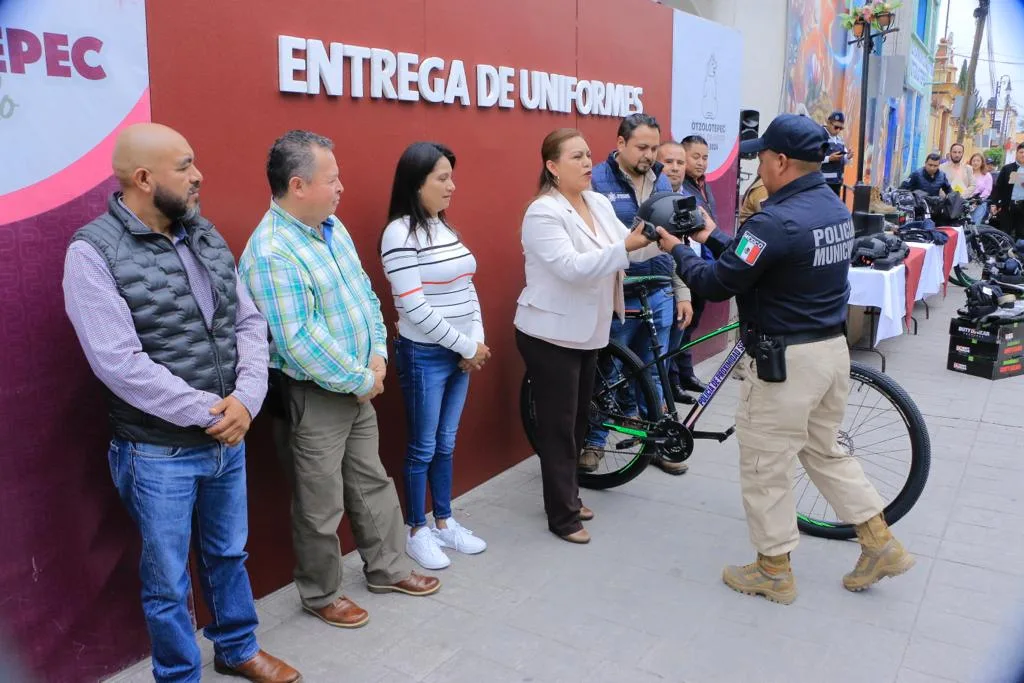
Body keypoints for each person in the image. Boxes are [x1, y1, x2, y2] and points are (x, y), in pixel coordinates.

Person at [63, 123, 300, 683]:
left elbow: (246, 320)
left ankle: (238, 648)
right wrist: (212, 412)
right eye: (184, 166)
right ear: (144, 179)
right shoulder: (91, 253)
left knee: (228, 556)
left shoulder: (204, 232)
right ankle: (178, 675)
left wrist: (245, 399)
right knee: (167, 581)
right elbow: (118, 363)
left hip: (227, 437)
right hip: (156, 452)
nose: (199, 176)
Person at [656, 114, 914, 604]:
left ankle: (773, 570)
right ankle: (880, 542)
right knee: (824, 450)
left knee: (763, 464)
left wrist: (677, 250)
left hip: (784, 366)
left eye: (760, 158)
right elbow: (757, 260)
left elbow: (717, 283)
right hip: (829, 355)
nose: (758, 168)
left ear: (779, 161)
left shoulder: (772, 221)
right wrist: (712, 234)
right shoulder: (832, 209)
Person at [239, 130, 440, 632]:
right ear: (298, 184)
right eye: (332, 179)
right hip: (314, 395)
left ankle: (388, 568)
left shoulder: (332, 227)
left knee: (372, 482)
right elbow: (296, 340)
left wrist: (376, 355)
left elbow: (366, 297)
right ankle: (321, 593)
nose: (341, 188)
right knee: (319, 503)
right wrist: (358, 378)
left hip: (357, 382)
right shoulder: (271, 251)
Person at [515, 128, 664, 544]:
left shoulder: (596, 202)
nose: (586, 163)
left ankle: (570, 494)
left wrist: (662, 242)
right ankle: (562, 515)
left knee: (581, 420)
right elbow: (572, 267)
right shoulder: (542, 212)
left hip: (590, 331)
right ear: (551, 166)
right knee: (559, 428)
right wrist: (629, 246)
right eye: (576, 156)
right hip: (550, 334)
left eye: (587, 155)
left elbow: (626, 247)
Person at [379, 142, 489, 570]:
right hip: (425, 355)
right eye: (442, 178)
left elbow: (467, 287)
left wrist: (474, 342)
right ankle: (416, 530)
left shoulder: (444, 228)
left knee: (446, 442)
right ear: (416, 182)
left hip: (461, 355)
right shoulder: (398, 233)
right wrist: (467, 347)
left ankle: (444, 522)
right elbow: (413, 307)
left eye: (451, 177)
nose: (451, 186)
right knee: (422, 446)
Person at [583, 115, 693, 476]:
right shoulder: (596, 181)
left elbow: (675, 237)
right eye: (641, 147)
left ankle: (656, 444)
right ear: (620, 144)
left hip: (659, 290)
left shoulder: (662, 179)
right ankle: (594, 443)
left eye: (654, 148)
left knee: (655, 373)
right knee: (608, 371)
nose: (649, 155)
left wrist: (682, 290)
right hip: (618, 293)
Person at [676, 135, 721, 395]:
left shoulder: (703, 185)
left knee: (692, 325)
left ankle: (686, 374)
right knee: (680, 326)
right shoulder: (680, 187)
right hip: (687, 265)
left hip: (704, 264)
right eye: (696, 157)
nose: (701, 163)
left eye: (705, 157)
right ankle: (676, 381)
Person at [991, 142, 1024, 240]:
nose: (1023, 155)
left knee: (1021, 235)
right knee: (1005, 234)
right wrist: (995, 204)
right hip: (1008, 206)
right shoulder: (1007, 168)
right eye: (1021, 152)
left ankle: (1018, 255)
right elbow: (998, 187)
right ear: (1016, 153)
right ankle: (1005, 254)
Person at [821, 111, 852, 197]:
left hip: (836, 184)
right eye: (836, 127)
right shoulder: (820, 136)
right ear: (828, 123)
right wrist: (829, 159)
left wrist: (847, 157)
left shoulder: (839, 140)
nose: (838, 130)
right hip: (822, 184)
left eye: (841, 128)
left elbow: (843, 161)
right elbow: (812, 158)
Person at [967, 152, 993, 224]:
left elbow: (987, 191)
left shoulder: (987, 175)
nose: (975, 163)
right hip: (966, 202)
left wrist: (977, 200)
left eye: (978, 161)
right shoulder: (967, 173)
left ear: (982, 162)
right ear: (971, 162)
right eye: (974, 160)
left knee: (975, 224)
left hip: (979, 203)